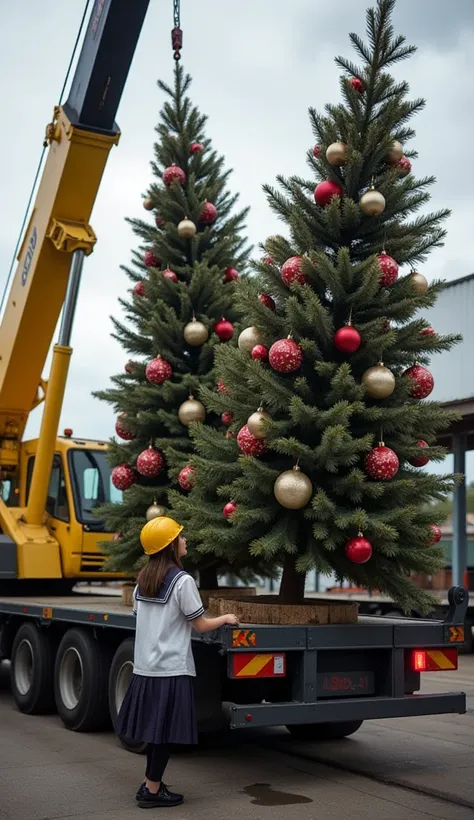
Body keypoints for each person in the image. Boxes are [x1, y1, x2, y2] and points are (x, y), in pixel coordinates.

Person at [115, 515, 239, 809]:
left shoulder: (141, 582)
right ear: (170, 546)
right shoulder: (183, 582)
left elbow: (143, 619)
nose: (185, 540)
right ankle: (152, 791)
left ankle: (150, 784)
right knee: (163, 734)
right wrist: (226, 618)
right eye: (180, 537)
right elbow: (200, 625)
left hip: (146, 667)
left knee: (156, 732)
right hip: (171, 668)